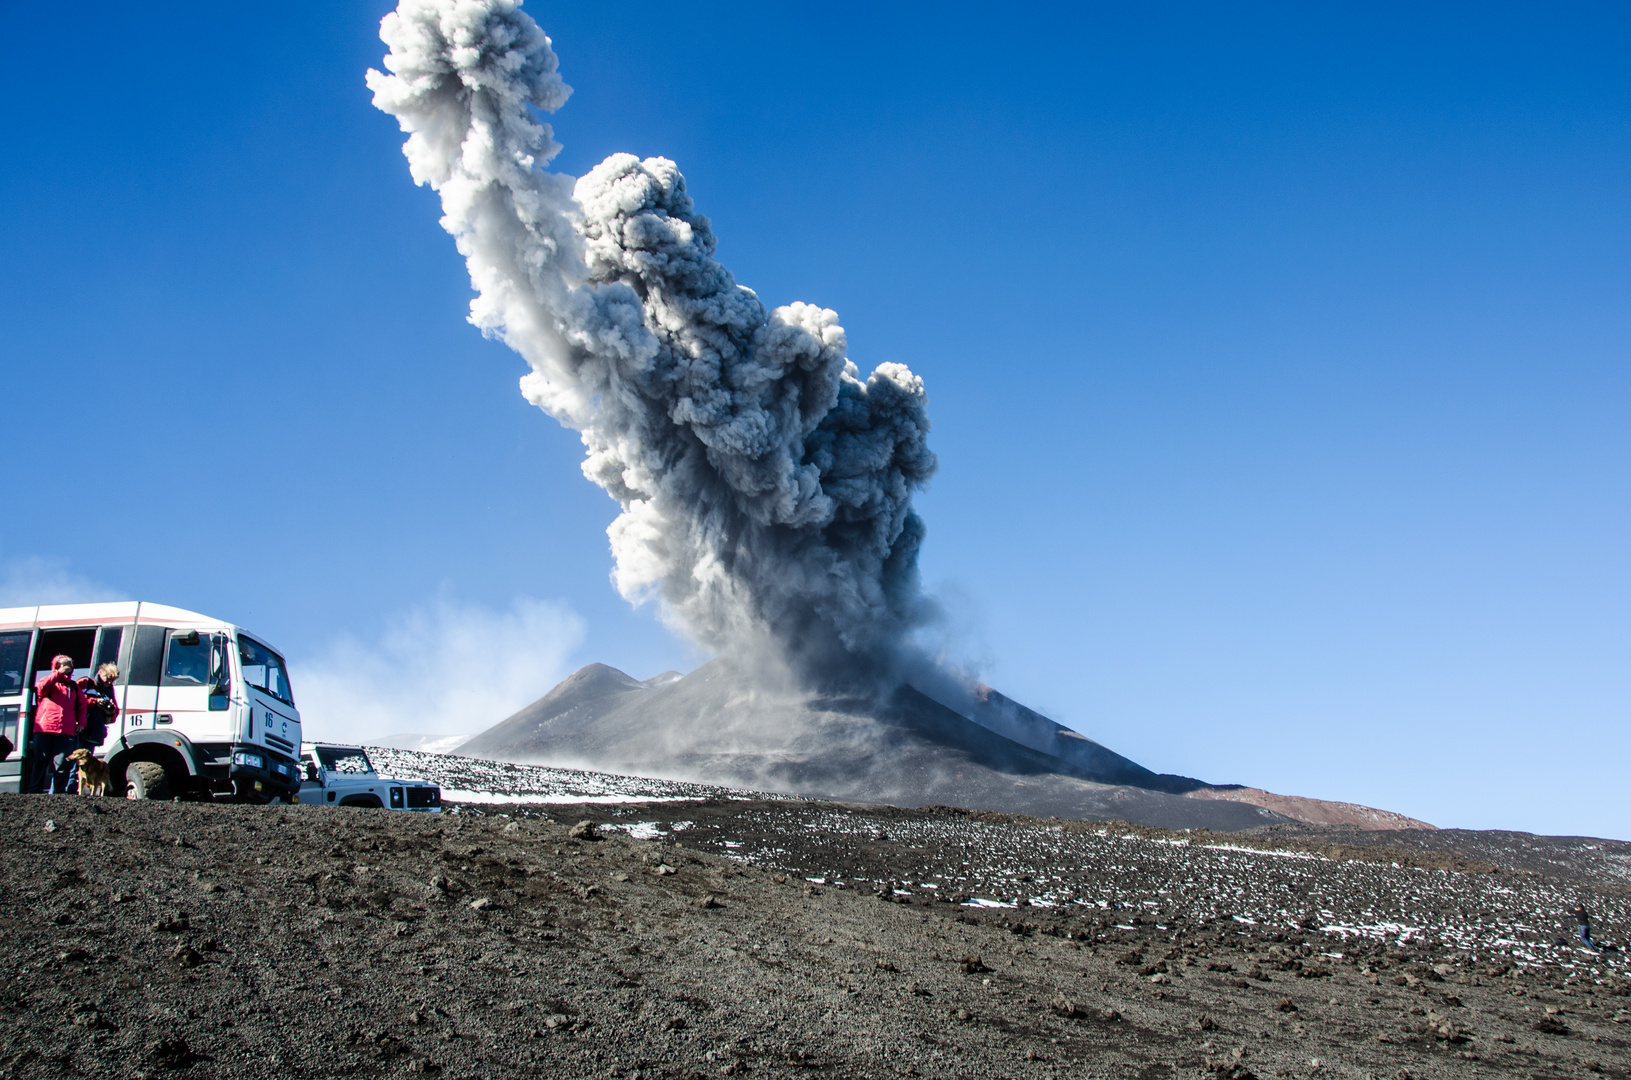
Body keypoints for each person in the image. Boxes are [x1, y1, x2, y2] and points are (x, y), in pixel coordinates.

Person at [29, 655, 87, 794]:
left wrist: (82, 724)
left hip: (65, 731)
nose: (67, 670)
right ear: (56, 666)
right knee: (40, 762)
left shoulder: (73, 687)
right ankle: (34, 794)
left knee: (62, 765)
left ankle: (57, 795)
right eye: (63, 665)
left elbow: (82, 706)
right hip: (44, 729)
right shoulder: (49, 682)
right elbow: (41, 688)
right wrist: (58, 674)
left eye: (68, 667)